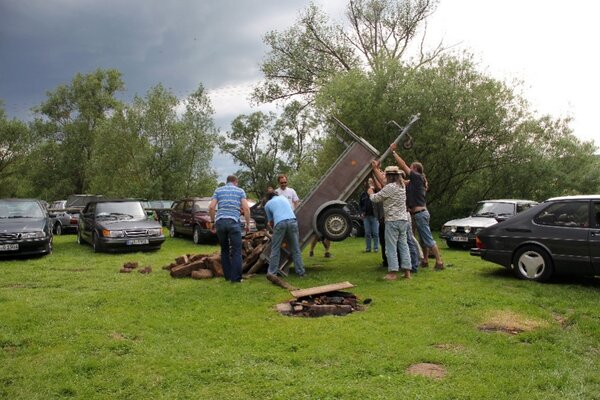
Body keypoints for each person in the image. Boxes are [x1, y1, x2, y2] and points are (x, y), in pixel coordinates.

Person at [390, 143, 444, 270]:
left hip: (420, 214)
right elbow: (402, 181)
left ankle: (439, 262)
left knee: (428, 239)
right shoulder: (415, 181)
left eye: (411, 167)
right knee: (422, 240)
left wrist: (393, 152)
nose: (409, 168)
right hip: (418, 215)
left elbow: (402, 164)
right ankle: (425, 260)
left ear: (415, 169)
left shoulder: (417, 177)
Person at [368, 164, 412, 280]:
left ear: (389, 176)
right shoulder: (401, 186)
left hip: (392, 221)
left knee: (391, 247)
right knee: (403, 246)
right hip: (403, 220)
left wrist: (370, 192)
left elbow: (375, 198)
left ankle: (392, 273)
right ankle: (407, 272)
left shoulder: (390, 187)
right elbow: (383, 181)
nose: (385, 177)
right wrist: (375, 169)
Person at [208, 175, 251, 283]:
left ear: (226, 181)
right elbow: (246, 208)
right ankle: (236, 278)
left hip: (220, 222)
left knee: (224, 250)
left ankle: (227, 276)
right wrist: (247, 223)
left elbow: (211, 207)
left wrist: (213, 221)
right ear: (235, 182)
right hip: (233, 222)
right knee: (236, 251)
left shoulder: (218, 190)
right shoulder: (240, 191)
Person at [264, 192, 305, 277]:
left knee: (275, 249)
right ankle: (301, 273)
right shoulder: (283, 198)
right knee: (296, 248)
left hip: (280, 223)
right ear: (276, 195)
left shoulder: (267, 204)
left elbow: (271, 222)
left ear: (268, 198)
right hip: (292, 221)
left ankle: (272, 273)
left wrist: (273, 230)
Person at [359, 177, 379, 253]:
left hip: (374, 216)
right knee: (367, 233)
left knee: (375, 233)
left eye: (372, 182)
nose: (370, 184)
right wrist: (361, 213)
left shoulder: (376, 192)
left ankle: (376, 248)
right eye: (369, 182)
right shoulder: (363, 194)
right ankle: (368, 248)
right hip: (366, 216)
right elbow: (360, 205)